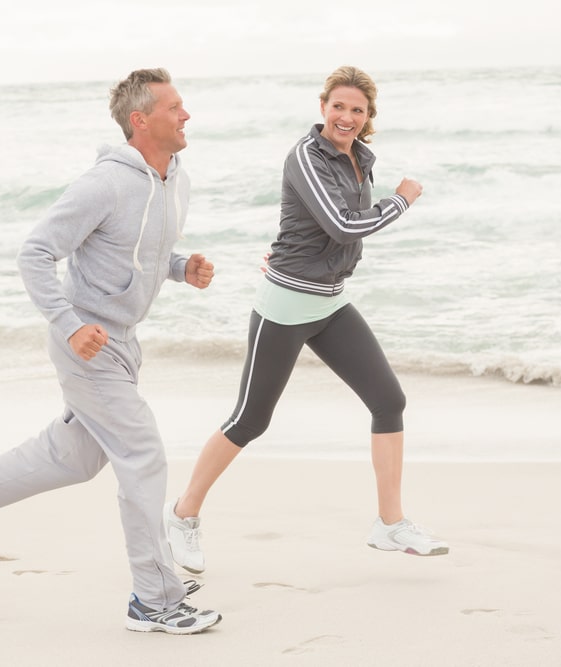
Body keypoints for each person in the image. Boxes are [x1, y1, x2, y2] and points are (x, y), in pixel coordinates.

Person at [0, 68, 222, 635]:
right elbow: (35, 252)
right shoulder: (104, 183)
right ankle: (153, 600)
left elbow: (138, 253)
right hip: (85, 347)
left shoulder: (175, 179)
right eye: (175, 107)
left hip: (123, 345)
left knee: (73, 457)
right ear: (141, 120)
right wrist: (67, 325)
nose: (186, 116)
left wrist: (183, 269)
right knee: (143, 455)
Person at [163, 65, 448, 575]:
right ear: (323, 108)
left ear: (368, 117)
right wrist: (401, 199)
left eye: (357, 109)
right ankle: (182, 515)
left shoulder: (359, 158)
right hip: (288, 304)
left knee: (389, 401)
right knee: (250, 420)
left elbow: (327, 232)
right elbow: (341, 226)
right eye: (338, 106)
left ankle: (390, 523)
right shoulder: (304, 156)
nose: (347, 116)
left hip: (331, 301)